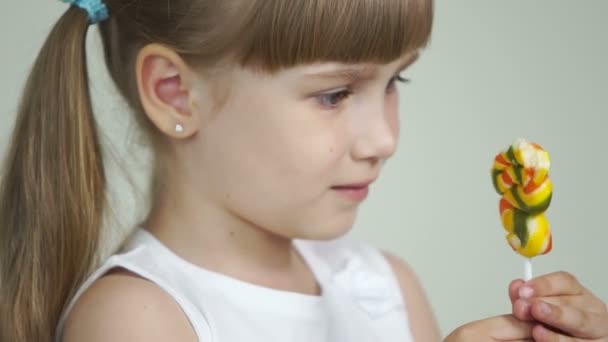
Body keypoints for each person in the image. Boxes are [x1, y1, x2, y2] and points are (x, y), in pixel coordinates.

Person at [0, 0, 606, 341]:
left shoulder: (387, 287)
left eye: (395, 81)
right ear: (176, 94)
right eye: (335, 93)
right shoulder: (141, 320)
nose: (385, 139)